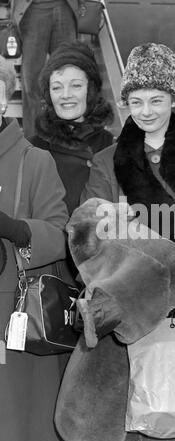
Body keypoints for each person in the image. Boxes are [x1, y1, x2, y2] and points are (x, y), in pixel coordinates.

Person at [54, 42, 175, 441]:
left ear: (174, 98)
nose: (146, 111)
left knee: (174, 435)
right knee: (118, 436)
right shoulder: (107, 161)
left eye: (157, 99)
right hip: (121, 319)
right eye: (136, 100)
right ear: (125, 101)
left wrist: (169, 280)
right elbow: (87, 236)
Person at [0, 55, 70, 441]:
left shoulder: (34, 160)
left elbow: (62, 235)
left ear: (4, 96)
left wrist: (15, 229)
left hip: (15, 326)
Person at [30, 40, 114, 275]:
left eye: (75, 85)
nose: (65, 95)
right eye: (57, 87)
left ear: (92, 89)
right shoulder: (33, 148)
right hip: (50, 272)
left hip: (101, 271)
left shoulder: (113, 146)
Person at [12, 0, 80, 137]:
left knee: (69, 77)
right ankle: (32, 141)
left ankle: (67, 138)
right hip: (34, 9)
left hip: (64, 7)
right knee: (30, 82)